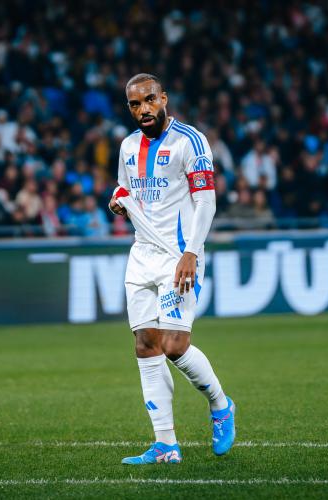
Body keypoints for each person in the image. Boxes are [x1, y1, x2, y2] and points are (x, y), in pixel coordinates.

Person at [108, 73, 235, 465]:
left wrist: (192, 253)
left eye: (149, 100)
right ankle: (165, 443)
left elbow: (206, 202)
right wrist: (117, 200)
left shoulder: (190, 141)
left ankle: (221, 404)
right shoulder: (128, 146)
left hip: (178, 255)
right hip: (141, 255)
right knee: (146, 345)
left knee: (175, 346)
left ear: (163, 98)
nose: (143, 109)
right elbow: (125, 188)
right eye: (134, 104)